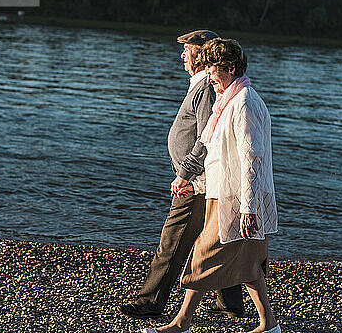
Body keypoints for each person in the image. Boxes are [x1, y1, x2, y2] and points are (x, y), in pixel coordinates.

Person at [142, 38, 279, 333]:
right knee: (249, 263)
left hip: (238, 199)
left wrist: (248, 208)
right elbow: (206, 140)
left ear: (229, 68)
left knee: (206, 255)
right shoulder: (225, 99)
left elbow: (252, 159)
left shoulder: (244, 103)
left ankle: (181, 323)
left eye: (213, 74)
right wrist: (186, 175)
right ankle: (268, 325)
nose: (210, 80)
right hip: (225, 194)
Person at [119, 31, 244, 320]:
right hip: (201, 180)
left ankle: (150, 302)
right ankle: (230, 302)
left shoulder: (204, 90)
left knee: (172, 241)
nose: (182, 56)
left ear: (201, 54)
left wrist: (186, 174)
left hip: (197, 183)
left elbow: (206, 137)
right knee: (215, 239)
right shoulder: (201, 86)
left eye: (187, 50)